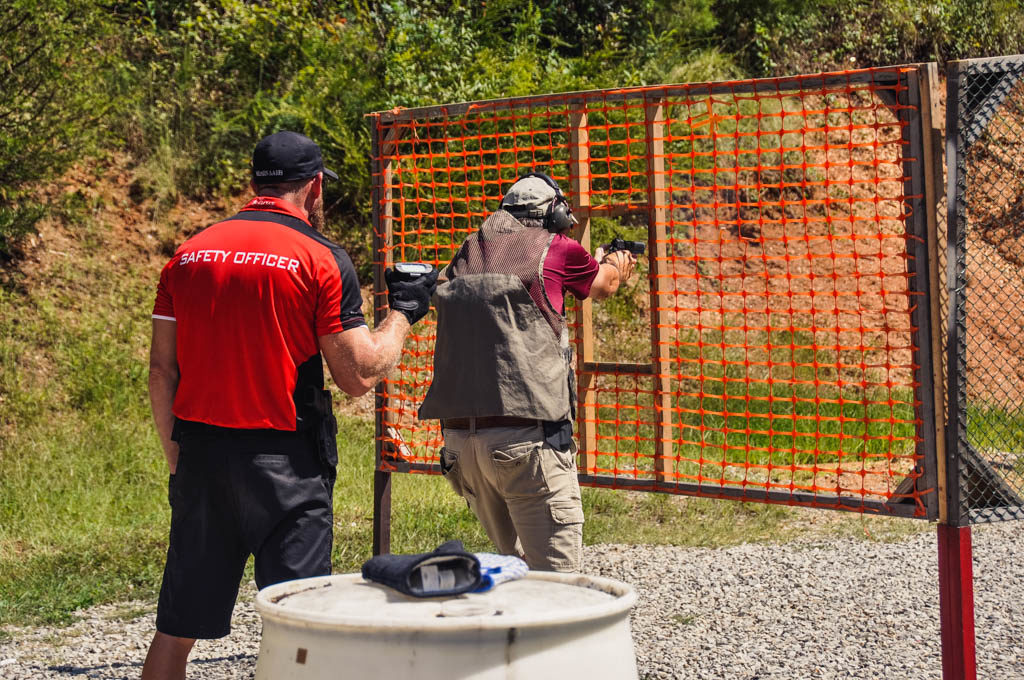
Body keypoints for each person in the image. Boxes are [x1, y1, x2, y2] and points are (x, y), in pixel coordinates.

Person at [141, 130, 438, 680]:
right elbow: (359, 373)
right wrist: (404, 313)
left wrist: (176, 456)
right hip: (287, 466)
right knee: (301, 626)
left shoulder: (188, 254)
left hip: (201, 455)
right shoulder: (321, 257)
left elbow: (162, 371)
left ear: (254, 183)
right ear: (315, 186)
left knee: (176, 628)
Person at [418, 172, 635, 573]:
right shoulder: (558, 248)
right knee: (556, 586)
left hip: (462, 445)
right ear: (552, 214)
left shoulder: (469, 250)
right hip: (526, 445)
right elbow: (602, 286)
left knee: (514, 573)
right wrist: (615, 264)